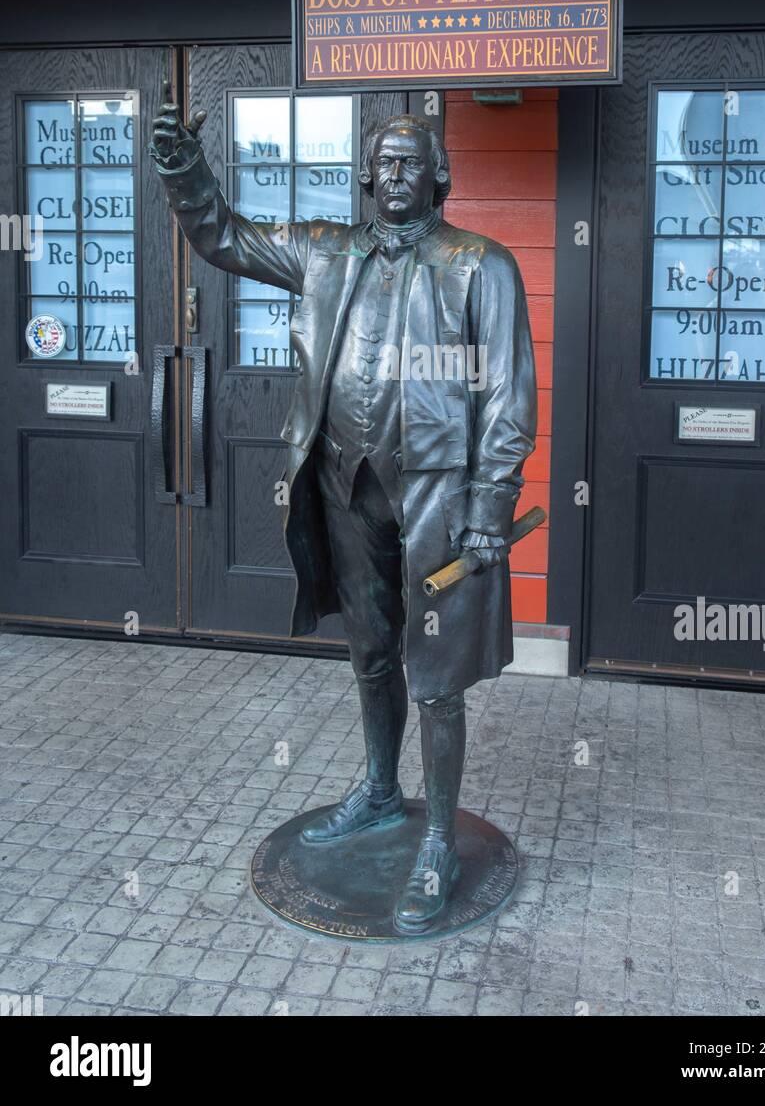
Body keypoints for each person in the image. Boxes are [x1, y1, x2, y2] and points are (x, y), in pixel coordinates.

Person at [150, 85, 536, 933]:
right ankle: (375, 788)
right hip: (344, 485)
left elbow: (509, 397)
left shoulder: (481, 263)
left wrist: (489, 504)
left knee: (435, 675)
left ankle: (437, 835)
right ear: (368, 177)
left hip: (437, 496)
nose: (396, 173)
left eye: (413, 162)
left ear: (442, 177)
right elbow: (224, 239)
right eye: (385, 162)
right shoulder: (324, 249)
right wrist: (184, 167)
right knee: (369, 652)